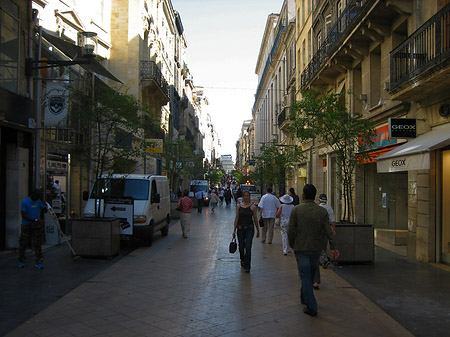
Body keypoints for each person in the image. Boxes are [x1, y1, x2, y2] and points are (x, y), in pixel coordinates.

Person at [288, 184, 339, 317]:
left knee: (305, 275)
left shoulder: (296, 210)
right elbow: (329, 231)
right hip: (316, 248)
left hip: (301, 247)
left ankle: (312, 306)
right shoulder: (321, 212)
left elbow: (290, 230)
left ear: (304, 195)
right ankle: (304, 297)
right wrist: (333, 247)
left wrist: (292, 244)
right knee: (309, 274)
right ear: (315, 196)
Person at [18, 190, 48, 269]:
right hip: (26, 225)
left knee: (37, 243)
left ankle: (39, 261)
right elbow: (23, 215)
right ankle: (21, 260)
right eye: (36, 197)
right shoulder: (25, 202)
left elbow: (45, 211)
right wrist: (35, 220)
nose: (37, 199)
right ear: (32, 195)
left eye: (38, 197)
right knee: (23, 243)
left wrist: (45, 206)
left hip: (36, 225)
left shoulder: (38, 201)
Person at [313, 193, 337, 289]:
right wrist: (333, 230)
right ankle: (323, 260)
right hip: (326, 230)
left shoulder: (317, 209)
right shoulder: (329, 208)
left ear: (319, 200)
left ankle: (323, 260)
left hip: (318, 230)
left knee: (319, 247)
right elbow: (332, 220)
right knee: (323, 245)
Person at [232, 190, 260, 272]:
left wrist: (258, 230)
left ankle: (247, 266)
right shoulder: (238, 206)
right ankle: (243, 259)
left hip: (249, 229)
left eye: (248, 195)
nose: (246, 197)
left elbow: (255, 219)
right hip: (240, 229)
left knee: (248, 247)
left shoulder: (253, 207)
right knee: (241, 247)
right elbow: (236, 218)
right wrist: (234, 230)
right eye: (245, 195)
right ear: (242, 197)